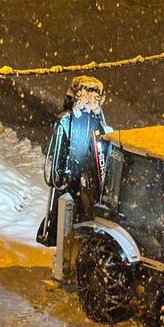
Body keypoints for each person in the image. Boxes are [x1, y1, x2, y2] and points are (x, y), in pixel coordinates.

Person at [37, 76, 112, 246]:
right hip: (83, 188)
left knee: (67, 209)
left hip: (71, 184)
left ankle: (58, 234)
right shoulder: (96, 124)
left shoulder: (68, 121)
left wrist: (60, 178)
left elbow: (56, 155)